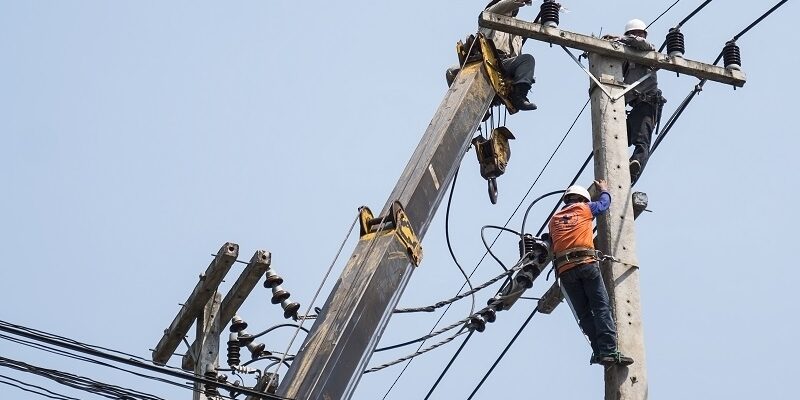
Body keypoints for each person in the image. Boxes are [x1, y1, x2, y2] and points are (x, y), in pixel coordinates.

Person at [547, 181, 633, 366]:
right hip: (585, 264)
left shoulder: (553, 220)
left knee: (585, 314)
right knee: (601, 307)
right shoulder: (584, 208)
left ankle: (598, 350)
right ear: (583, 199)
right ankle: (608, 350)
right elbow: (604, 204)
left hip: (565, 271)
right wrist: (604, 189)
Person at [604, 19, 667, 184]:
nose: (637, 36)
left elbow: (640, 43)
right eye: (634, 33)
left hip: (648, 105)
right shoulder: (625, 58)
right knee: (616, 137)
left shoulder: (648, 50)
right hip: (635, 107)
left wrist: (619, 38)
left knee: (642, 141)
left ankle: (634, 167)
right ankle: (618, 169)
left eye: (639, 33)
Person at [447, 0, 537, 111]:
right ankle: (467, 104)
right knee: (451, 71)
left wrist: (549, 12)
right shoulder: (489, 15)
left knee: (527, 60)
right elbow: (503, 5)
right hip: (485, 62)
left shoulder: (516, 28)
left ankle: (518, 97)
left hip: (504, 66)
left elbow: (536, 26)